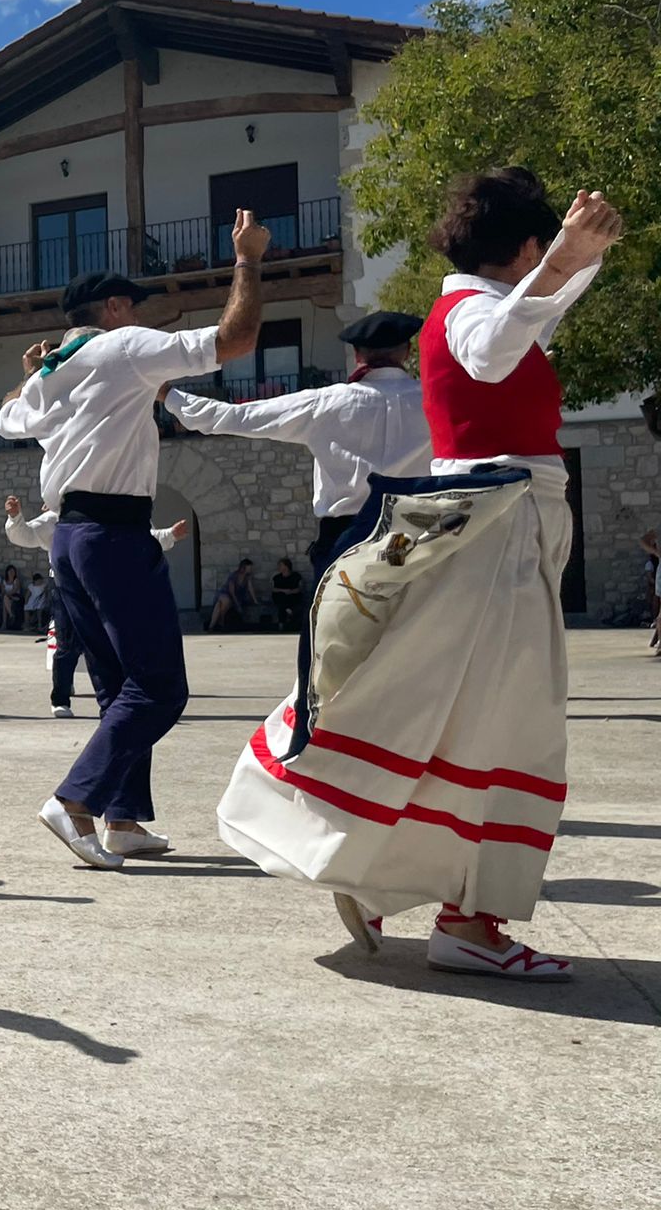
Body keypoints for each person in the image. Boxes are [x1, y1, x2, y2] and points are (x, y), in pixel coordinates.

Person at [219, 173, 624, 981]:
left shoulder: (485, 304)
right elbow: (496, 347)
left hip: (495, 524)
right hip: (496, 529)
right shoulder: (472, 313)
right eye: (544, 250)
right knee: (501, 722)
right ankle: (460, 919)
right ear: (524, 247)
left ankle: (384, 872)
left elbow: (533, 318)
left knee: (447, 710)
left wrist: (577, 260)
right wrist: (565, 261)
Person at [0, 211, 270, 869]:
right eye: (134, 307)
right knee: (159, 687)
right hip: (114, 535)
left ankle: (121, 819)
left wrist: (30, 371)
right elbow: (234, 339)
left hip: (69, 538)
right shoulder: (122, 346)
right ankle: (75, 800)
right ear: (116, 308)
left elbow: (7, 417)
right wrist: (248, 261)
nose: (140, 317)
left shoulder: (50, 373)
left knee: (119, 687)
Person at [165, 311, 434, 576]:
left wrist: (168, 395)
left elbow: (238, 416)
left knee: (340, 605)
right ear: (408, 352)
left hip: (350, 540)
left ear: (357, 355)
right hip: (420, 536)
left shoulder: (326, 403)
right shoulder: (435, 400)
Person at [4, 494, 184, 721]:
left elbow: (141, 538)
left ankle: (112, 703)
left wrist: (170, 535)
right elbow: (27, 534)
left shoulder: (113, 512)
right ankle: (60, 698)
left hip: (103, 584)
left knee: (107, 642)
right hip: (66, 585)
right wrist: (15, 517)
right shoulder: (57, 518)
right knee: (67, 643)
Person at [206, 560, 258, 632]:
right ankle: (220, 621)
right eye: (249, 567)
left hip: (235, 598)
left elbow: (250, 589)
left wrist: (255, 600)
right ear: (243, 567)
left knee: (219, 604)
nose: (251, 569)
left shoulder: (247, 577)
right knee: (225, 600)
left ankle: (213, 625)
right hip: (228, 595)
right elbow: (231, 592)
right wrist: (237, 605)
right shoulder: (234, 576)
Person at [268, 558, 304, 632]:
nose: (279, 567)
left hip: (293, 596)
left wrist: (291, 591)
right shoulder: (277, 577)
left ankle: (284, 620)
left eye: (281, 565)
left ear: (286, 566)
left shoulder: (296, 576)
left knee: (287, 603)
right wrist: (283, 590)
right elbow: (273, 589)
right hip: (281, 597)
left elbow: (300, 588)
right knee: (281, 601)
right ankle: (287, 612)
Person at [0, 565, 26, 631]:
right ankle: (10, 616)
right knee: (5, 600)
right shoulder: (4, 581)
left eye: (13, 572)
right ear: (7, 572)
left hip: (15, 597)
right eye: (10, 571)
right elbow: (2, 591)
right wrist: (8, 595)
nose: (11, 573)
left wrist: (9, 595)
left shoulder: (16, 580)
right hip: (8, 597)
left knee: (5, 601)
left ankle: (5, 623)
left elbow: (15, 590)